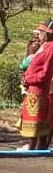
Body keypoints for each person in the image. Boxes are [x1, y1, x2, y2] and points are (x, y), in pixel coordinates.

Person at [20, 21, 53, 150]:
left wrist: (29, 78)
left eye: (40, 32)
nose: (38, 35)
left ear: (46, 34)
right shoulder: (44, 47)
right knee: (36, 124)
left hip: (39, 89)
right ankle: (35, 149)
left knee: (38, 123)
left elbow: (45, 72)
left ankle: (35, 150)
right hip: (33, 88)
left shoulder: (50, 48)